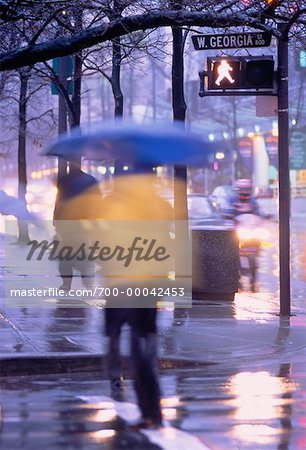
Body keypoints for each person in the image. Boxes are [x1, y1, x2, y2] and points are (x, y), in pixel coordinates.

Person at [98, 164, 174, 428]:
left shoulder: (121, 205)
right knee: (140, 342)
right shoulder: (160, 206)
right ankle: (149, 408)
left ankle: (149, 408)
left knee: (133, 341)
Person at [53, 167, 101, 291]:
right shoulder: (90, 181)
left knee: (65, 255)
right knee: (82, 253)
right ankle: (87, 280)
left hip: (67, 224)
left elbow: (59, 201)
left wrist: (56, 220)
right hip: (82, 224)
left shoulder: (64, 180)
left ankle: (66, 284)